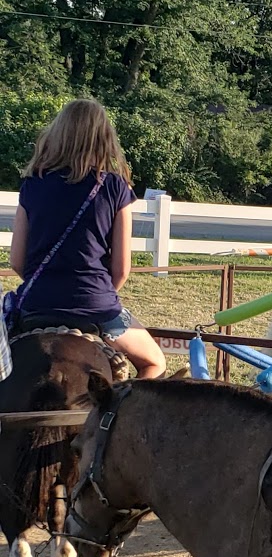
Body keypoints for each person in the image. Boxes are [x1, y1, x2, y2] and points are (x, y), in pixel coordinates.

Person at [8, 99, 166, 379]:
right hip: (96, 306)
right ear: (104, 138)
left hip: (36, 303)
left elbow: (17, 261)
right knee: (154, 362)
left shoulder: (32, 185)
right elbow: (121, 270)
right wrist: (100, 295)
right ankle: (120, 419)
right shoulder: (116, 187)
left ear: (57, 135)